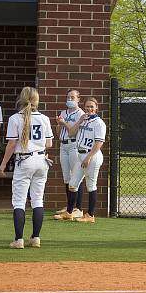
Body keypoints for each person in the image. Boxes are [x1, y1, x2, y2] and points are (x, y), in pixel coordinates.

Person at [0, 87, 53, 249]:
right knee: (37, 200)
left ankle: (18, 240)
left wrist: (2, 164)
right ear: (37, 100)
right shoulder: (44, 118)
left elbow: (11, 144)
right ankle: (36, 238)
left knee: (19, 201)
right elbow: (49, 143)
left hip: (24, 160)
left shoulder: (15, 118)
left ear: (21, 99)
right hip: (42, 160)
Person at [64, 97, 106, 224]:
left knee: (91, 185)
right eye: (87, 107)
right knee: (72, 183)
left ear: (96, 108)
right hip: (80, 155)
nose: (89, 109)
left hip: (92, 156)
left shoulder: (99, 123)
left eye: (92, 106)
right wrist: (79, 121)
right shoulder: (83, 120)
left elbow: (99, 142)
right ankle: (69, 213)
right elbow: (71, 133)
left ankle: (90, 215)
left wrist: (89, 157)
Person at [53, 89, 84, 221]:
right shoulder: (63, 112)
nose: (70, 100)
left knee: (75, 176)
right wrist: (59, 124)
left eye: (73, 97)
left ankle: (78, 208)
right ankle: (69, 206)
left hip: (74, 145)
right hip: (63, 145)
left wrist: (64, 123)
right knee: (66, 177)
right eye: (68, 97)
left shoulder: (81, 114)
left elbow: (73, 132)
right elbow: (58, 133)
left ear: (78, 99)